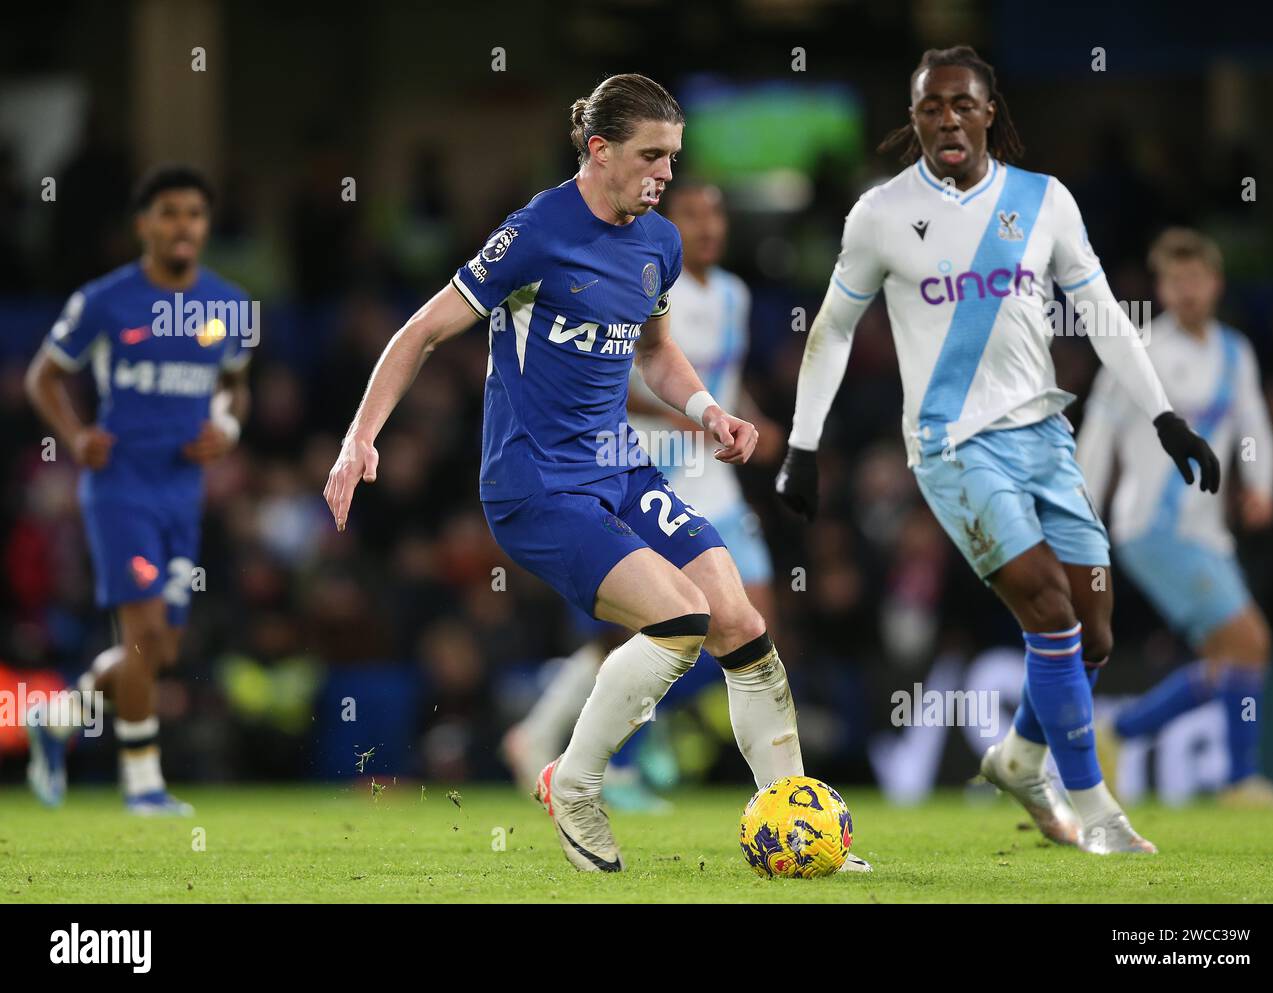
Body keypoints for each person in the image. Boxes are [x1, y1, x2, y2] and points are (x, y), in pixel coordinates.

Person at [324, 75, 861, 874]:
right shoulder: (537, 231)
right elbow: (422, 330)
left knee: (741, 624)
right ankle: (574, 780)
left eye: (673, 159)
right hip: (534, 484)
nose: (665, 176)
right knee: (679, 618)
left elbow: (654, 353)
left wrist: (709, 410)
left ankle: (796, 831)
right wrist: (360, 436)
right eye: (650, 157)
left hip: (620, 468)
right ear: (599, 151)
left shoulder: (659, 244)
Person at [775, 46, 1220, 854]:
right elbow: (833, 329)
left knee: (1094, 632)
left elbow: (1105, 317)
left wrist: (1166, 418)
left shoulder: (1043, 201)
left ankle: (1019, 756)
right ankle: (1094, 808)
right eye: (930, 107)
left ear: (989, 113)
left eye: (962, 104)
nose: (947, 118)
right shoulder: (880, 214)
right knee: (1047, 603)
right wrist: (802, 445)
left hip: (1047, 436)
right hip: (953, 447)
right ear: (914, 120)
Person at [500, 182, 782, 813]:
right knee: (658, 625)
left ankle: (617, 739)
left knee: (751, 621)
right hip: (655, 461)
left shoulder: (735, 294)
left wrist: (746, 418)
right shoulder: (644, 270)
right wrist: (688, 420)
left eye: (715, 215)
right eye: (693, 216)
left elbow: (721, 378)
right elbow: (617, 378)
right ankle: (589, 750)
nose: (707, 228)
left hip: (718, 474)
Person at [24, 165, 251, 815]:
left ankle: (59, 715)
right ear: (144, 225)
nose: (185, 225)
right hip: (119, 486)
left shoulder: (228, 304)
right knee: (145, 633)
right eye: (171, 213)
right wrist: (73, 434)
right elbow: (44, 375)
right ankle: (143, 784)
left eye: (196, 214)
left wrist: (228, 426)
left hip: (183, 493)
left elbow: (238, 382)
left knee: (161, 649)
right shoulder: (105, 298)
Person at [1078, 228, 1273, 808]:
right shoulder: (1139, 351)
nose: (1188, 290)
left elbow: (1254, 429)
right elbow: (1099, 436)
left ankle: (1116, 736)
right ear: (1162, 288)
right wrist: (1081, 515)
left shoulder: (1234, 353)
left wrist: (1261, 487)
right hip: (1152, 525)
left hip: (1205, 530)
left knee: (1230, 658)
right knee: (1252, 639)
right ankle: (1238, 780)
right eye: (1175, 280)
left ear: (1216, 283)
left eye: (1197, 278)